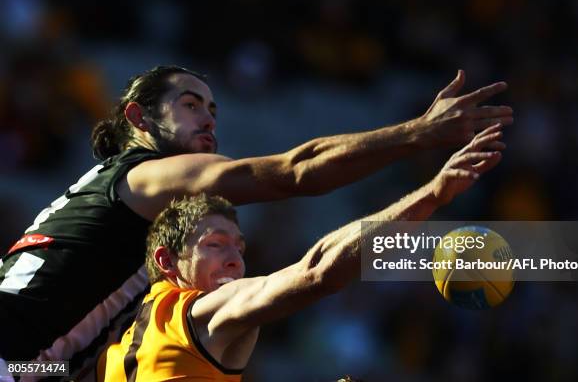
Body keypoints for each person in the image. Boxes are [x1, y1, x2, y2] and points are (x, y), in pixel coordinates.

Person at [0, 65, 512, 369]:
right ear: (138, 118)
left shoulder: (122, 217)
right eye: (191, 103)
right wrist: (418, 134)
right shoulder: (147, 176)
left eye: (215, 109)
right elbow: (295, 172)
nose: (208, 118)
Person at [97, 124, 505, 381]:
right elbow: (317, 270)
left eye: (239, 246)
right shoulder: (186, 315)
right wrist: (431, 195)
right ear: (168, 261)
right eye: (215, 245)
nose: (236, 259)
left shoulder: (122, 341)